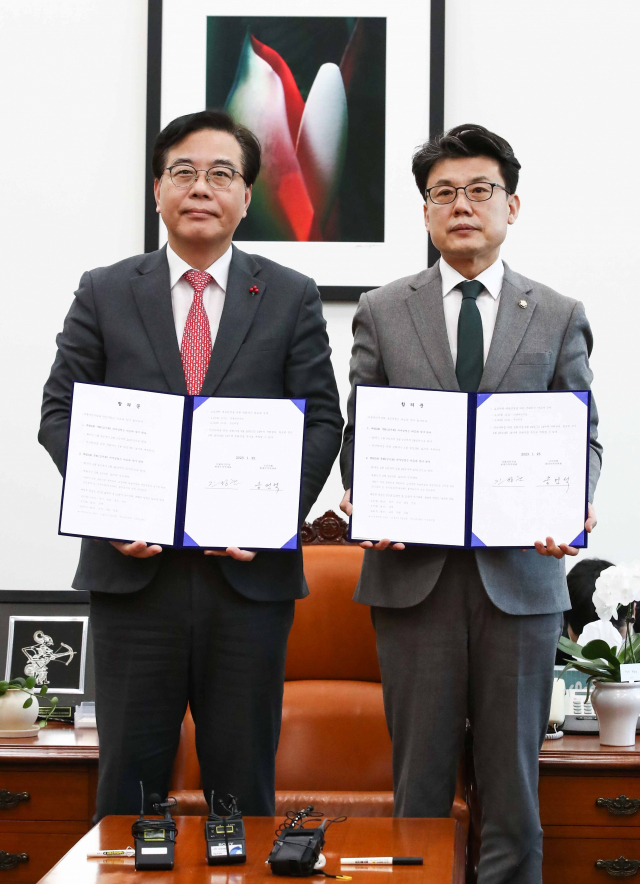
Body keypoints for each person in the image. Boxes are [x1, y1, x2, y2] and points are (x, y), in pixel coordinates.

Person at [39, 109, 343, 818]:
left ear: (246, 195)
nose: (201, 187)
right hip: (133, 581)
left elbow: (323, 419)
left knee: (242, 791)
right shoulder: (105, 289)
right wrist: (108, 511)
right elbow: (60, 412)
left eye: (221, 174)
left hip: (247, 584)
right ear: (157, 190)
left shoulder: (291, 294)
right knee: (129, 789)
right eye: (183, 172)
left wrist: (273, 516)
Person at [339, 124, 601, 884]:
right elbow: (364, 429)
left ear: (511, 205)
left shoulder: (557, 312)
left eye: (480, 190)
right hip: (411, 578)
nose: (462, 206)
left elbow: (581, 432)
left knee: (512, 790)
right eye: (444, 193)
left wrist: (573, 502)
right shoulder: (383, 309)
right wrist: (367, 493)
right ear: (425, 211)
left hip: (520, 580)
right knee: (419, 788)